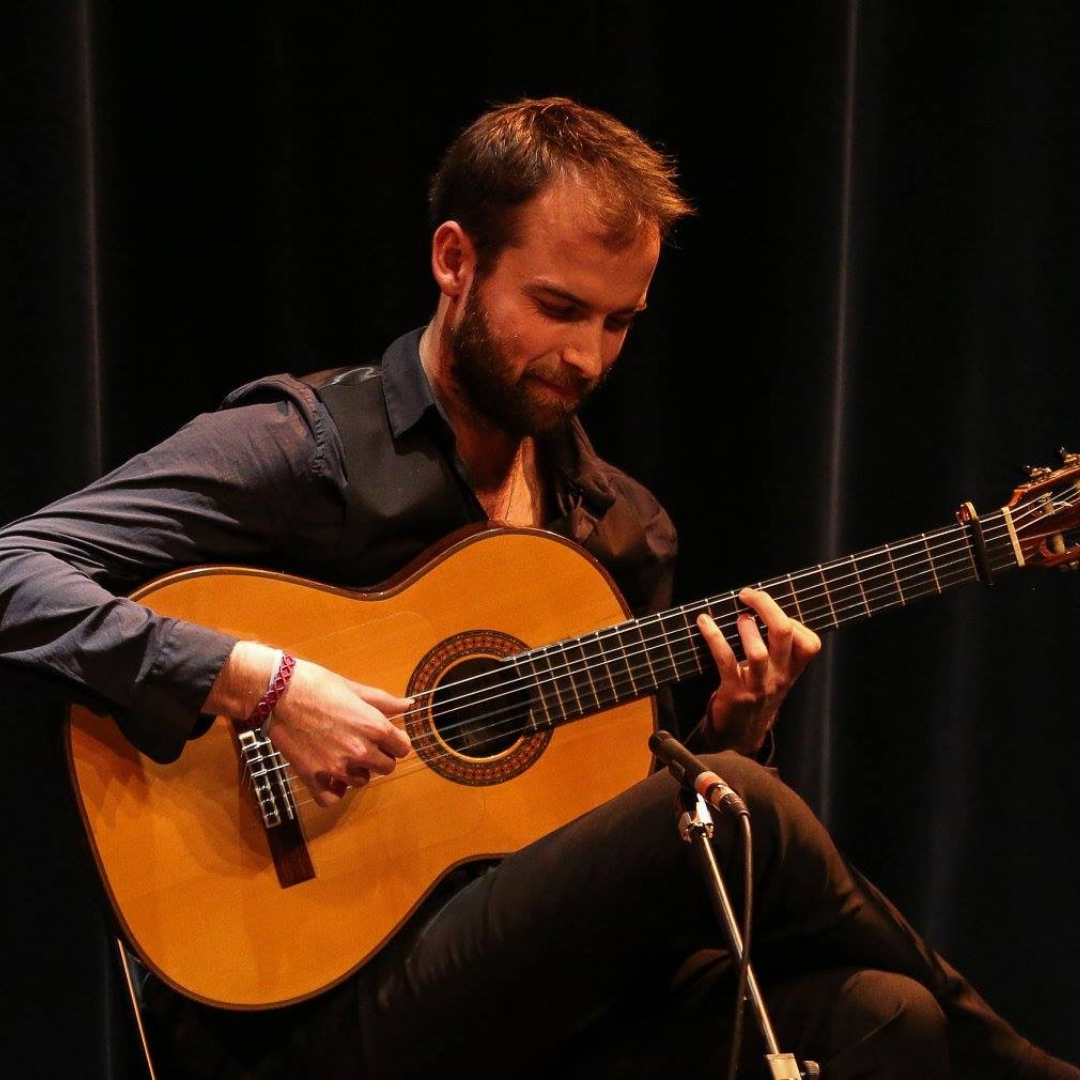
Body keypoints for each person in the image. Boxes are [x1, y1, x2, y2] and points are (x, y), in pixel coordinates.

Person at [0, 96, 1075, 1080]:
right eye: (558, 307)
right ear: (455, 260)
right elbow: (15, 570)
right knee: (746, 804)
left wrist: (730, 734)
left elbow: (607, 836)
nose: (587, 359)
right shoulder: (305, 448)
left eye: (619, 322)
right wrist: (262, 683)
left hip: (532, 1002)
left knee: (884, 1018)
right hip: (304, 1008)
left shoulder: (617, 525)